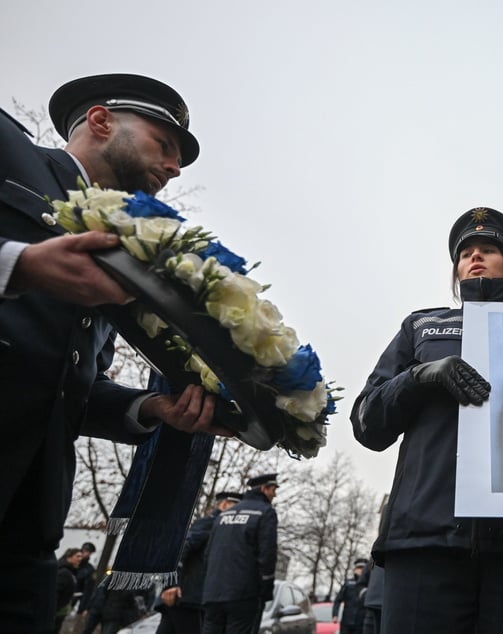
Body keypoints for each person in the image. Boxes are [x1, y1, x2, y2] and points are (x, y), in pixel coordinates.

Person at [0, 73, 226, 630]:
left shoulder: (128, 248)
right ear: (101, 121)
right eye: (164, 146)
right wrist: (18, 264)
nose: (174, 168)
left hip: (29, 518)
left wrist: (151, 410)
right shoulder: (9, 152)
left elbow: (75, 384)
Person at [351, 207, 503, 634]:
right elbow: (366, 423)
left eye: (489, 249)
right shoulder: (421, 326)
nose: (474, 257)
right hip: (425, 544)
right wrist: (418, 377)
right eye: (465, 253)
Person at [201, 474, 279, 634]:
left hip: (212, 594)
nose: (275, 494)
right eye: (273, 490)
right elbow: (267, 555)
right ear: (264, 489)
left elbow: (208, 555)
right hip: (243, 595)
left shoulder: (222, 515)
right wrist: (265, 590)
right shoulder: (265, 512)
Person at [157, 491, 242, 634]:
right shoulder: (211, 524)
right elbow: (179, 548)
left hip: (183, 599)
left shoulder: (216, 527)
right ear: (224, 505)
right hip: (188, 599)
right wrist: (171, 584)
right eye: (237, 508)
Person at [332, 558, 368, 634]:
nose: (360, 570)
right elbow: (338, 600)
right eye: (358, 568)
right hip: (347, 622)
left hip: (362, 623)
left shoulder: (369, 584)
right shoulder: (348, 583)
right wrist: (335, 615)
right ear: (355, 569)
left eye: (362, 568)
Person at [55, 548, 83, 631]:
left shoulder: (70, 572)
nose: (80, 559)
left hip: (60, 611)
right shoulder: (64, 572)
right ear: (69, 557)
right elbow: (56, 592)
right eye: (77, 556)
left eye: (81, 557)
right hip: (56, 612)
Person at [74, 542, 98, 616]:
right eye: (85, 551)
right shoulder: (71, 562)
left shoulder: (89, 570)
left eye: (88, 552)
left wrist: (83, 608)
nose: (86, 554)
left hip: (74, 597)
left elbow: (88, 590)